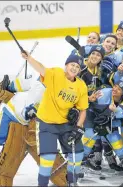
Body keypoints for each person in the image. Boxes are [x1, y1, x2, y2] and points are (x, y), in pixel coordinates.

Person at [21, 51, 89, 186]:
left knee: (77, 156)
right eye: (72, 64)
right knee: (48, 158)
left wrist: (79, 127)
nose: (74, 68)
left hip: (66, 124)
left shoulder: (81, 85)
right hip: (47, 123)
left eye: (77, 66)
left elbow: (83, 110)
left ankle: (71, 183)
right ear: (66, 65)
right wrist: (29, 58)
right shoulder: (56, 74)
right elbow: (42, 69)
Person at [0, 75, 68, 186]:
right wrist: (8, 86)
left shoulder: (61, 95)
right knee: (7, 166)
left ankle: (65, 179)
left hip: (36, 125)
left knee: (50, 158)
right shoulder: (38, 83)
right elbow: (17, 85)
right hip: (15, 120)